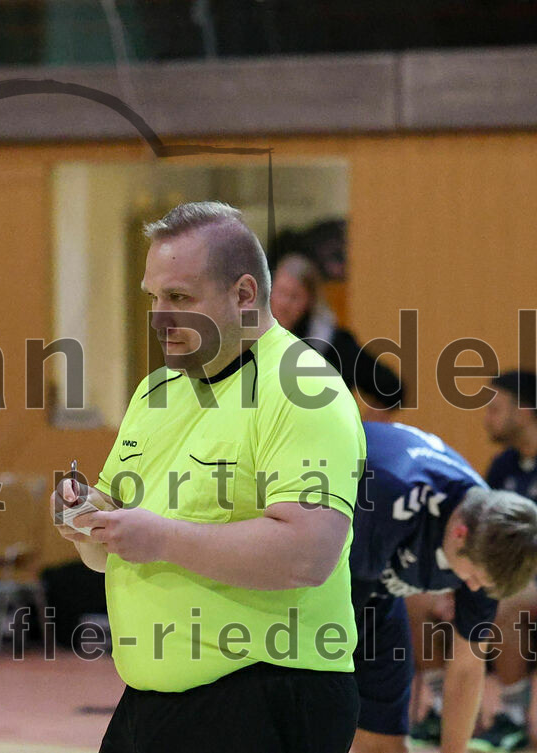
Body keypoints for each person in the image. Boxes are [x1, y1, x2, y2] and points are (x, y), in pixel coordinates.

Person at [51, 201, 366, 753]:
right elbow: (116, 547)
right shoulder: (158, 392)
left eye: (179, 298)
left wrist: (161, 537)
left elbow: (306, 553)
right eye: (153, 296)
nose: (159, 316)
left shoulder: (302, 389)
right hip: (150, 702)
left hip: (262, 695)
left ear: (244, 295)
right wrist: (87, 522)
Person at [349, 420, 537, 753]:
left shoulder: (489, 532)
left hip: (378, 589)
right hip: (317, 572)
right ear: (459, 533)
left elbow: (467, 667)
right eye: (474, 577)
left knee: (384, 744)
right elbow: (333, 617)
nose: (474, 587)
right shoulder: (391, 496)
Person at [465, 370, 537, 751]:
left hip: (526, 584)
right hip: (511, 578)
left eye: (495, 408)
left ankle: (510, 714)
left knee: (508, 600)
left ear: (524, 411)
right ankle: (440, 706)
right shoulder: (502, 466)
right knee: (423, 598)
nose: (486, 417)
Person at [271, 253, 403, 417]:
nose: (284, 304)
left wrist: (366, 430)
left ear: (310, 302)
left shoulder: (335, 344)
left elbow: (392, 389)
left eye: (294, 297)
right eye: (280, 293)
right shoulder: (256, 340)